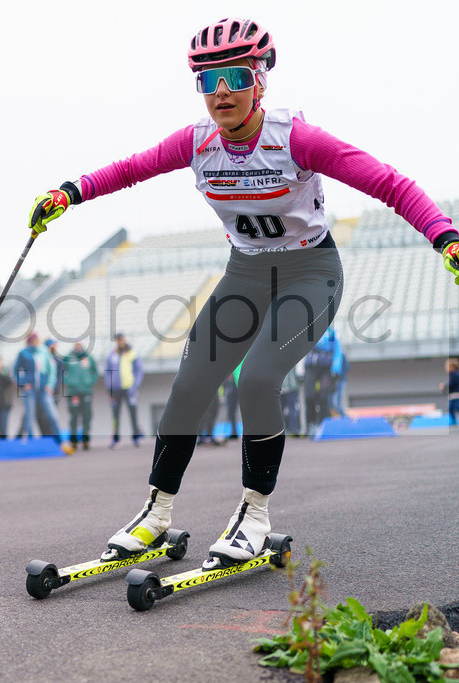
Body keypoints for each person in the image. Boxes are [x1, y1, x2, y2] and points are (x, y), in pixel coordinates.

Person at [27, 17, 458, 569]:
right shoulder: (197, 142)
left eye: (234, 76)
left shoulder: (297, 139)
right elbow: (131, 168)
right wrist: (70, 192)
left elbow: (390, 184)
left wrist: (444, 237)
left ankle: (255, 514)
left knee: (257, 379)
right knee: (189, 386)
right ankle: (156, 512)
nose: (222, 91)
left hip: (310, 273)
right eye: (209, 81)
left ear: (259, 81)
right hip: (246, 273)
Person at [13, 333, 71, 452]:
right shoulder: (23, 353)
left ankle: (60, 442)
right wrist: (22, 383)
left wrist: (50, 386)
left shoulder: (43, 352)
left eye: (37, 339)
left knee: (52, 416)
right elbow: (15, 370)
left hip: (43, 390)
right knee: (30, 417)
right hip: (30, 391)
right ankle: (31, 443)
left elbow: (52, 369)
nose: (36, 341)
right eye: (34, 339)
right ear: (29, 341)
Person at [103, 333, 144, 448]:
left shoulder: (132, 353)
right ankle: (115, 439)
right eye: (118, 340)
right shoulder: (112, 355)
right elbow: (107, 372)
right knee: (115, 414)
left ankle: (136, 437)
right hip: (115, 389)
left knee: (133, 413)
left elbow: (139, 371)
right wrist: (109, 386)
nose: (120, 342)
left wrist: (135, 385)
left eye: (121, 339)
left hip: (129, 389)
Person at [303, 328, 341, 434]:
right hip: (311, 367)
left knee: (324, 396)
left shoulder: (331, 333)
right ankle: (311, 424)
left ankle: (325, 424)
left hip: (326, 368)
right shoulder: (307, 331)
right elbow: (300, 351)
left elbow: (337, 351)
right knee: (309, 396)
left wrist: (335, 370)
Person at [63, 342, 99, 450]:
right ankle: (73, 441)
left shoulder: (89, 358)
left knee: (86, 416)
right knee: (74, 417)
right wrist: (70, 382)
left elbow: (95, 372)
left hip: (86, 391)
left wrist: (89, 382)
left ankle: (85, 440)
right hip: (73, 392)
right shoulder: (68, 358)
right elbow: (62, 372)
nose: (78, 346)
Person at [281, 363, 303, 437]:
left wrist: (300, 376)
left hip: (292, 386)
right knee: (280, 410)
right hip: (279, 388)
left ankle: (294, 429)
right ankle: (282, 430)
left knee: (293, 409)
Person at [441, 358, 459, 428]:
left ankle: (454, 421)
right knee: (452, 408)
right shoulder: (453, 375)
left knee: (454, 407)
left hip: (455, 395)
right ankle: (453, 420)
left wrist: (444, 386)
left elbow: (452, 384)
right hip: (453, 395)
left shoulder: (454, 375)